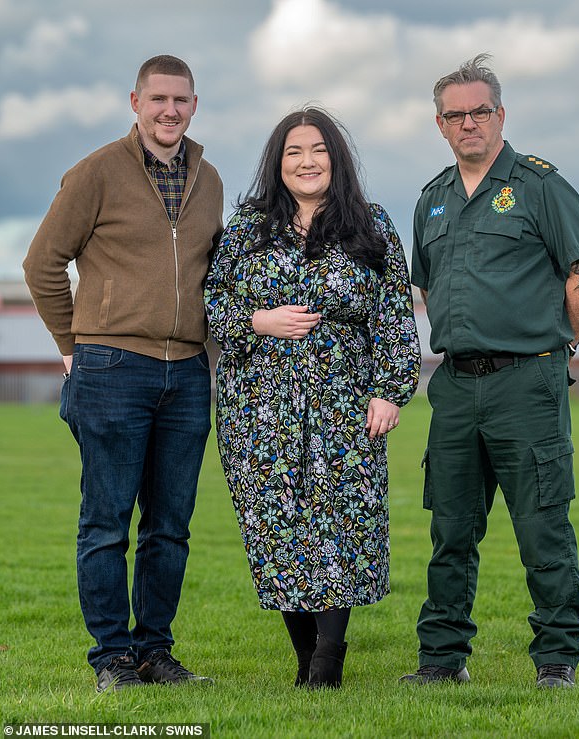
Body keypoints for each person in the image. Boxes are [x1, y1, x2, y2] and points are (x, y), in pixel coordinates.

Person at [400, 54, 579, 689]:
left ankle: (555, 661)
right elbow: (428, 289)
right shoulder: (432, 200)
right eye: (455, 115)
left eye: (480, 112)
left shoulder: (541, 186)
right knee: (450, 528)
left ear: (501, 115)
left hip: (528, 384)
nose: (469, 124)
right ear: (439, 123)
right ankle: (442, 659)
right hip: (456, 386)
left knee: (543, 523)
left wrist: (557, 345)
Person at [23, 55, 224, 692]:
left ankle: (153, 652)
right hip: (112, 365)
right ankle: (111, 656)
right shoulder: (96, 173)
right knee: (106, 520)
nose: (170, 110)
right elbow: (41, 263)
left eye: (181, 100)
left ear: (195, 105)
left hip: (188, 372)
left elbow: (214, 278)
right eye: (158, 98)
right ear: (134, 101)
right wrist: (71, 344)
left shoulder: (210, 178)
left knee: (170, 524)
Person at [204, 107, 421, 689]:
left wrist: (390, 391)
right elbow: (213, 306)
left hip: (343, 407)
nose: (307, 161)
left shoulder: (370, 225)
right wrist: (258, 320)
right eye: (295, 152)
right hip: (259, 412)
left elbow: (395, 317)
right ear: (278, 163)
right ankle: (305, 660)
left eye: (319, 150)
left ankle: (327, 663)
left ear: (337, 158)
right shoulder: (249, 227)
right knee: (277, 533)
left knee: (341, 529)